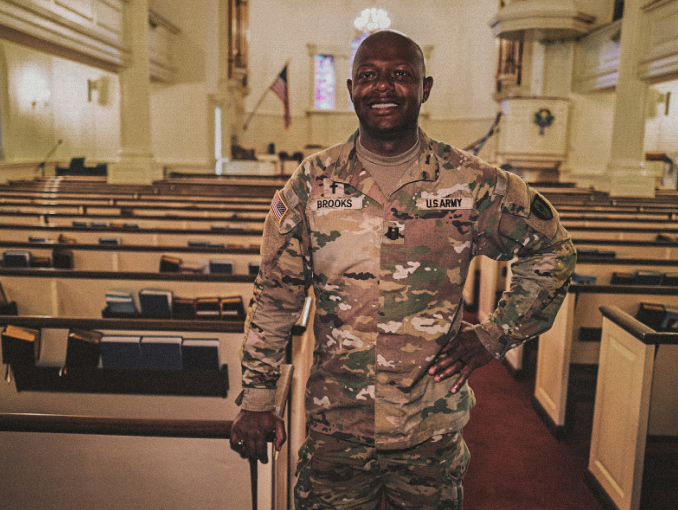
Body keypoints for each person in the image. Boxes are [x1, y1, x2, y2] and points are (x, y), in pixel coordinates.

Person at [230, 29, 576, 509]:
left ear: (425, 88)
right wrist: (257, 398)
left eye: (401, 75)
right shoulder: (312, 183)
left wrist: (496, 335)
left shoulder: (470, 183)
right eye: (368, 76)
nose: (383, 87)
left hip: (429, 431)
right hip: (338, 429)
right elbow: (275, 296)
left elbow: (553, 248)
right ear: (351, 89)